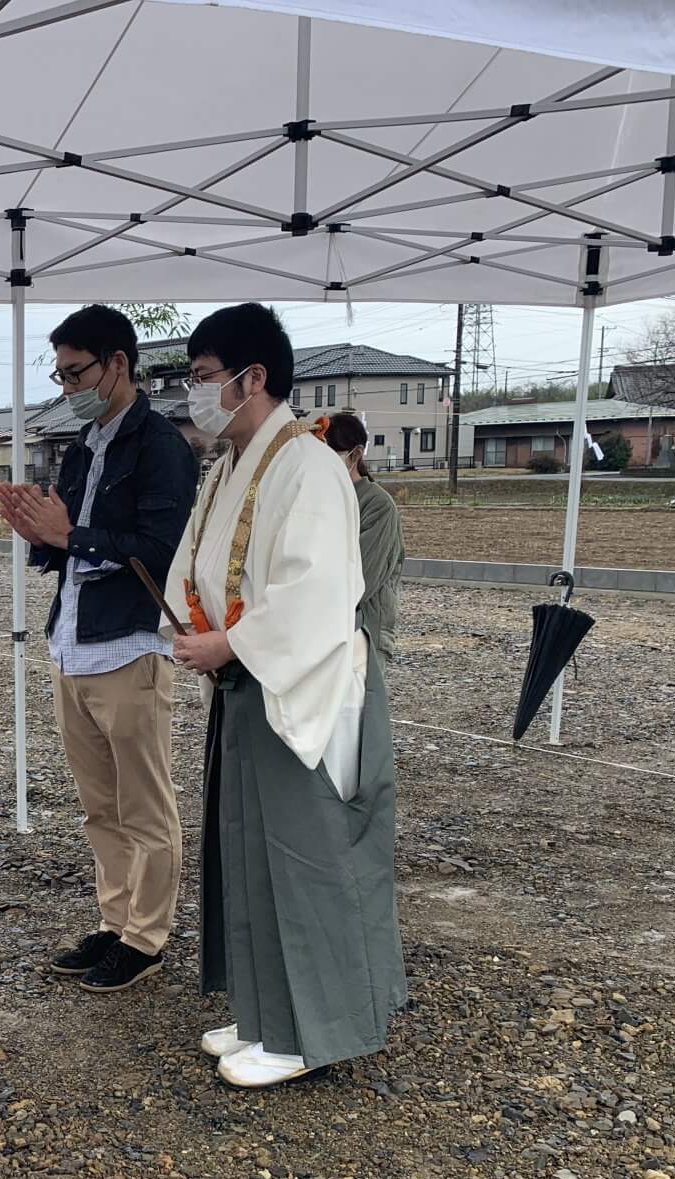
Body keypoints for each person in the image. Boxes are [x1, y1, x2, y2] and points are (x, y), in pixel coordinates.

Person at [166, 304, 405, 1087]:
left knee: (305, 856)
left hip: (303, 682)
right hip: (248, 680)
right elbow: (198, 566)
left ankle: (310, 1033)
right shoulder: (230, 465)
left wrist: (228, 641)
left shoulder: (307, 467)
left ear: (253, 378)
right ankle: (265, 1011)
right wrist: (195, 629)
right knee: (245, 850)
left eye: (204, 378)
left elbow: (317, 592)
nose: (195, 393)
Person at [0, 304, 199, 994]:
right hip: (72, 644)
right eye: (59, 375)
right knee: (98, 806)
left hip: (131, 648)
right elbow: (67, 544)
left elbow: (161, 552)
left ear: (119, 364)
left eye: (76, 371)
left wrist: (71, 535)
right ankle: (115, 923)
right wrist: (37, 529)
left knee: (145, 806)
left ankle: (147, 937)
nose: (68, 388)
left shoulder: (162, 449)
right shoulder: (84, 445)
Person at [321, 410, 405, 660]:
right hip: (321, 628)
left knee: (359, 699)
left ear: (355, 454)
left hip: (362, 631)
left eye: (327, 454)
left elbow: (360, 579)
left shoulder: (377, 504)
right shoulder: (318, 498)